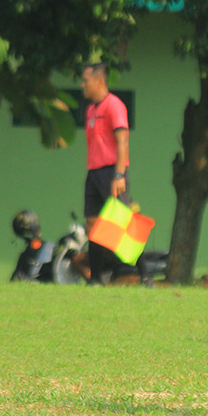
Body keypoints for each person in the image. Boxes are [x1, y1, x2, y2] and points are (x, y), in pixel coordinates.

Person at [80, 62, 131, 285]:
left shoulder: (115, 105)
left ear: (100, 81)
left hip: (112, 172)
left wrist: (119, 175)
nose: (82, 85)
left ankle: (145, 274)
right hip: (93, 173)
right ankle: (96, 278)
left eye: (85, 81)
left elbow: (123, 142)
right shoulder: (91, 109)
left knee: (121, 224)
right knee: (93, 226)